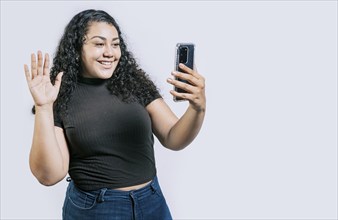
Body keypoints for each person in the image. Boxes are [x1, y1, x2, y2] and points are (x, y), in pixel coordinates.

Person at [24, 9, 205, 220]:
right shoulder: (59, 95)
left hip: (152, 202)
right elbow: (49, 175)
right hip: (96, 209)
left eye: (115, 44)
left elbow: (173, 137)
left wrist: (197, 108)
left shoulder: (134, 83)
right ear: (77, 49)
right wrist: (44, 107)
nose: (110, 52)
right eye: (99, 44)